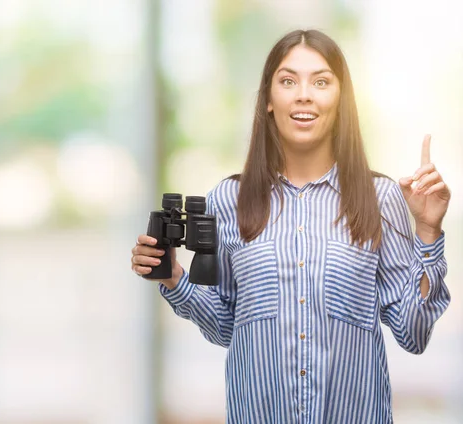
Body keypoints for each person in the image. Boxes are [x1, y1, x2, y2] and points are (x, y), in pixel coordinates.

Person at [130, 29, 451, 424]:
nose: (304, 94)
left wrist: (428, 233)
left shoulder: (379, 197)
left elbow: (413, 333)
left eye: (320, 81)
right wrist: (174, 276)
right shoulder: (227, 202)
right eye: (288, 81)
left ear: (340, 99)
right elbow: (226, 327)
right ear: (268, 99)